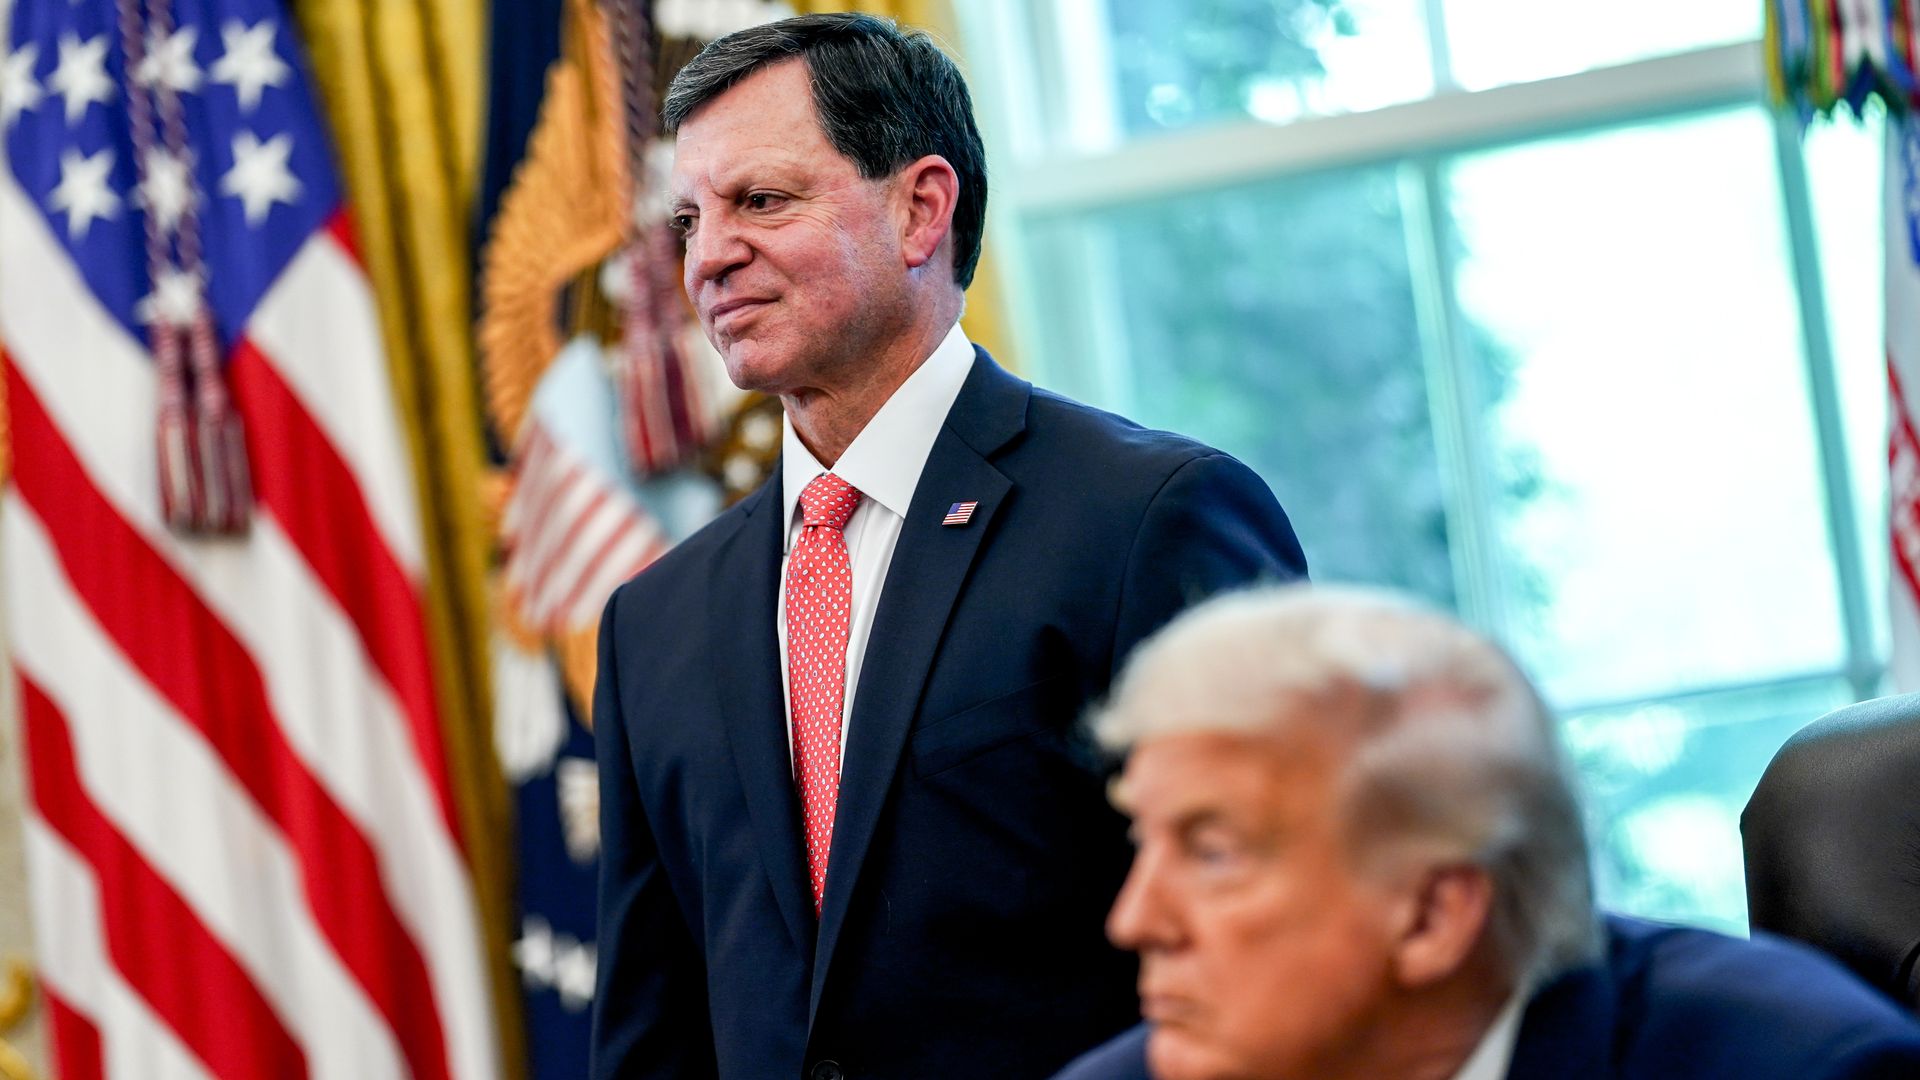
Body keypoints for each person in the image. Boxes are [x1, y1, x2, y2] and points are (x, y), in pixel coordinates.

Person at [589, 13, 1307, 1079]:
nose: (710, 256)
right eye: (689, 219)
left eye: (763, 201)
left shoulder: (1151, 520)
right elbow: (655, 1028)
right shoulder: (653, 623)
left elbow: (1282, 937)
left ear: (922, 207)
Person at [1055, 586, 1920, 1080]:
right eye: (1147, 842)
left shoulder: (1803, 1070)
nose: (1136, 920)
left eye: (1211, 853)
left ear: (1434, 915)